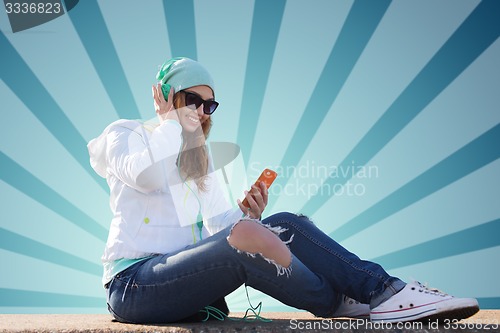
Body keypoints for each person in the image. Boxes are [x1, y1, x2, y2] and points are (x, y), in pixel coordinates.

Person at [88, 57, 479, 324]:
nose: (202, 113)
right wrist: (168, 120)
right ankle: (343, 299)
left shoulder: (198, 164)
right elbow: (145, 176)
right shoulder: (123, 135)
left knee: (281, 223)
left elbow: (220, 232)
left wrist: (250, 217)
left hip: (183, 283)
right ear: (165, 96)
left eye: (210, 106)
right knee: (246, 239)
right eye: (192, 100)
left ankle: (381, 291)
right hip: (133, 285)